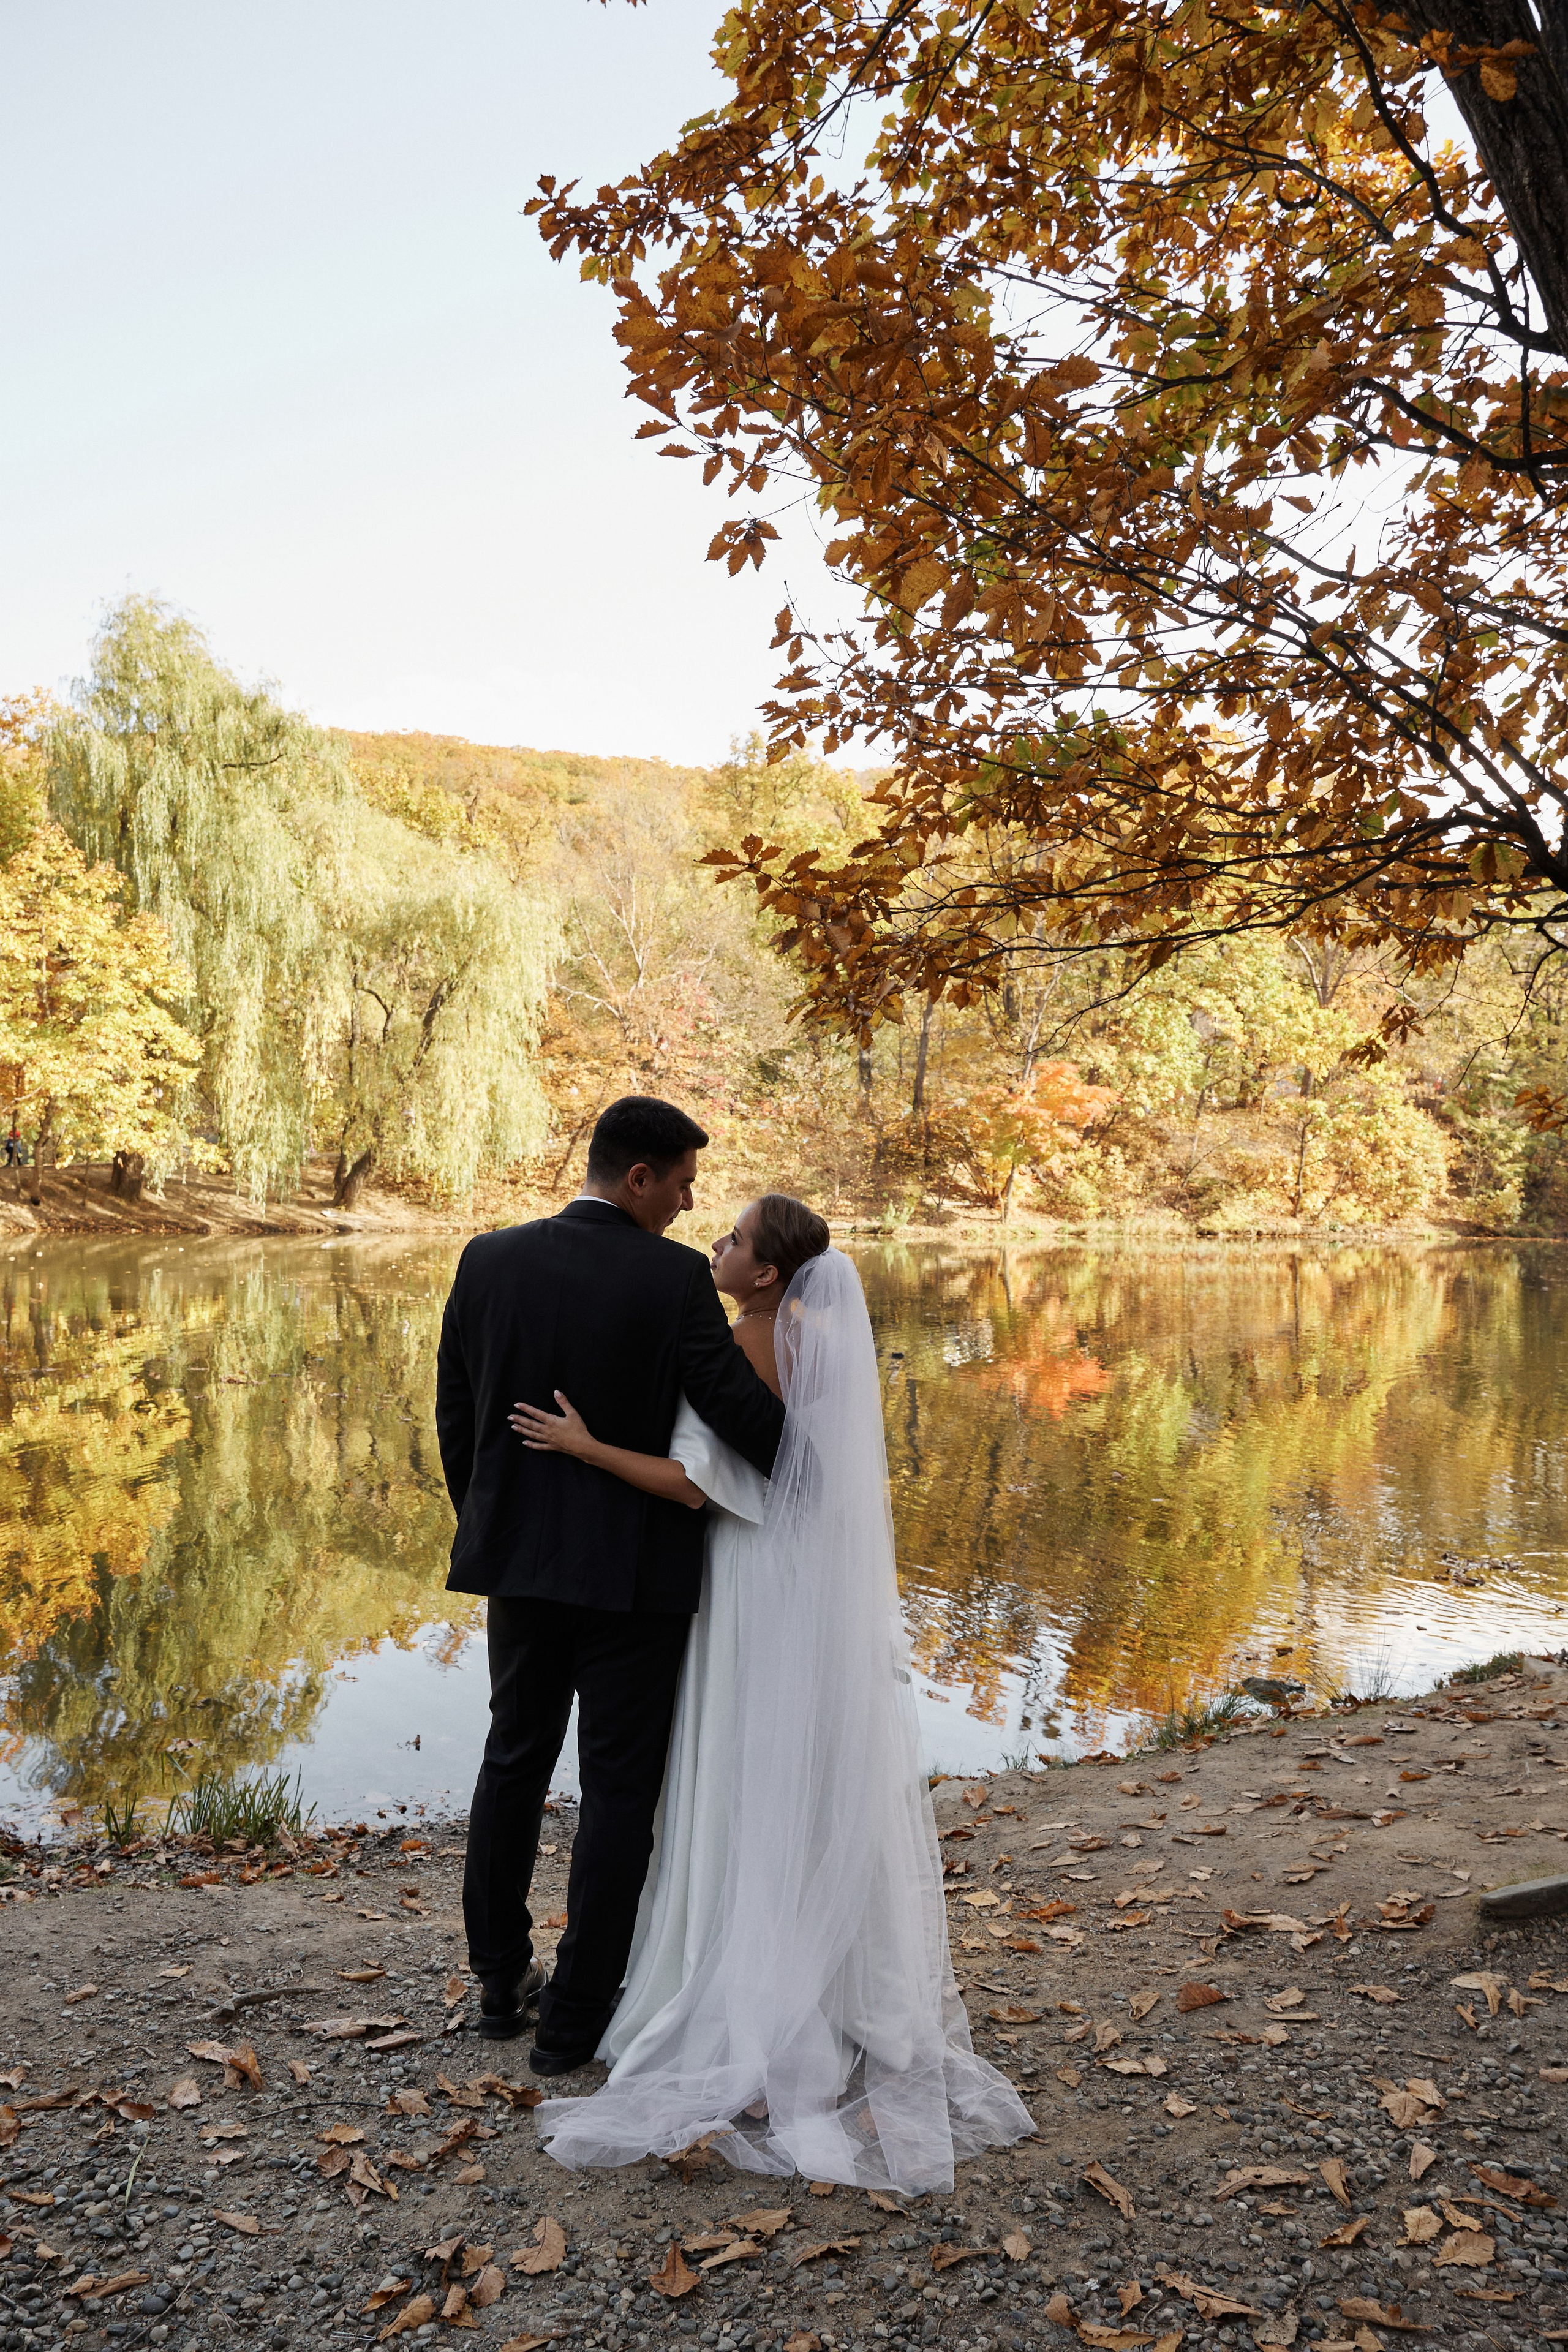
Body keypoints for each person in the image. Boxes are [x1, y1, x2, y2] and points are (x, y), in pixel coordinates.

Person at [509, 1200, 1035, 2195]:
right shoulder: (823, 1343)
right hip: (806, 1582)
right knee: (802, 1767)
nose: (717, 1246)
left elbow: (696, 1486)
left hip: (747, 1579)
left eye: (737, 1239)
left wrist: (583, 1448)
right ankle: (829, 1986)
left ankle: (746, 1990)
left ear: (763, 1275)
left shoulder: (745, 1343)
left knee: (739, 1770)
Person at [435, 1096, 785, 2073]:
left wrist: (495, 1525)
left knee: (513, 1761)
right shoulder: (674, 1281)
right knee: (619, 1791)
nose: (686, 1205)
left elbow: (456, 1415)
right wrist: (813, 1430)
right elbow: (738, 1417)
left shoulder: (486, 1258)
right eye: (680, 1186)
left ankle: (500, 1985)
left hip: (520, 1569)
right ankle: (578, 2019)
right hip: (635, 1579)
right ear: (638, 1178)